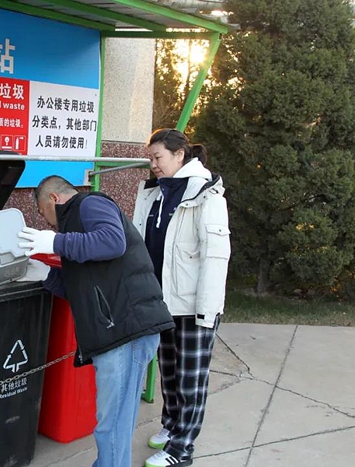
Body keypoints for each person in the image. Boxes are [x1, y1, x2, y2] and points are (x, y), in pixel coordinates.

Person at [17, 176, 175, 467]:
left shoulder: (90, 204)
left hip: (126, 330)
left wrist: (55, 241)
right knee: (116, 422)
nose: (46, 222)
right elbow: (82, 287)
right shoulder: (75, 233)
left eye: (42, 213)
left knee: (111, 424)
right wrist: (45, 274)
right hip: (119, 331)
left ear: (53, 198)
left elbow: (113, 242)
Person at [133, 129, 231, 467]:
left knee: (191, 380)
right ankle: (171, 426)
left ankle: (181, 449)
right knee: (170, 373)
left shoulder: (206, 195)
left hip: (193, 306)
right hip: (163, 302)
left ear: (179, 155)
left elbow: (215, 257)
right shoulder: (155, 194)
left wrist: (207, 311)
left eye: (158, 157)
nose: (153, 164)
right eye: (150, 158)